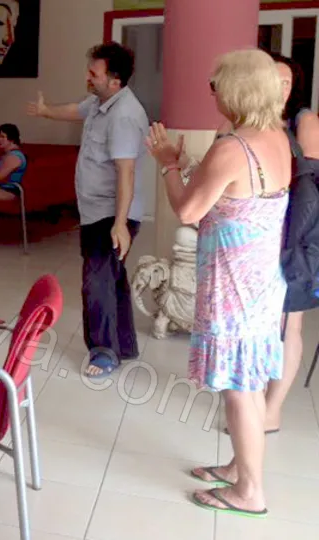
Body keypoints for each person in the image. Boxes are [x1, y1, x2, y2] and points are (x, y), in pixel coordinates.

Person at [146, 48, 290, 518]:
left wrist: (168, 163)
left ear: (236, 91)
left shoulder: (232, 147)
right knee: (246, 384)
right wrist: (191, 171)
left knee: (239, 390)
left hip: (233, 287)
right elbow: (231, 196)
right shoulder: (275, 136)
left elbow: (188, 210)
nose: (211, 92)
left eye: (215, 84)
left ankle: (249, 490)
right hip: (260, 283)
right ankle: (238, 468)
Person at [26, 41, 149, 379]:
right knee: (112, 277)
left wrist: (121, 224)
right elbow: (74, 111)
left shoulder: (124, 115)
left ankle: (104, 351)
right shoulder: (101, 103)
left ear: (115, 79)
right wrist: (45, 110)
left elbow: (126, 171)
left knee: (96, 281)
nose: (88, 77)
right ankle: (123, 344)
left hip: (112, 212)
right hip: (98, 211)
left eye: (94, 74)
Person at [264, 54, 319, 433]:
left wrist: (290, 245)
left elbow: (309, 191)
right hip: (260, 234)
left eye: (286, 81)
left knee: (289, 324)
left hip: (296, 234)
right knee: (264, 324)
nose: (280, 87)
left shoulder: (305, 121)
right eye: (272, 79)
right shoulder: (254, 121)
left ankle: (272, 409)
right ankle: (254, 403)